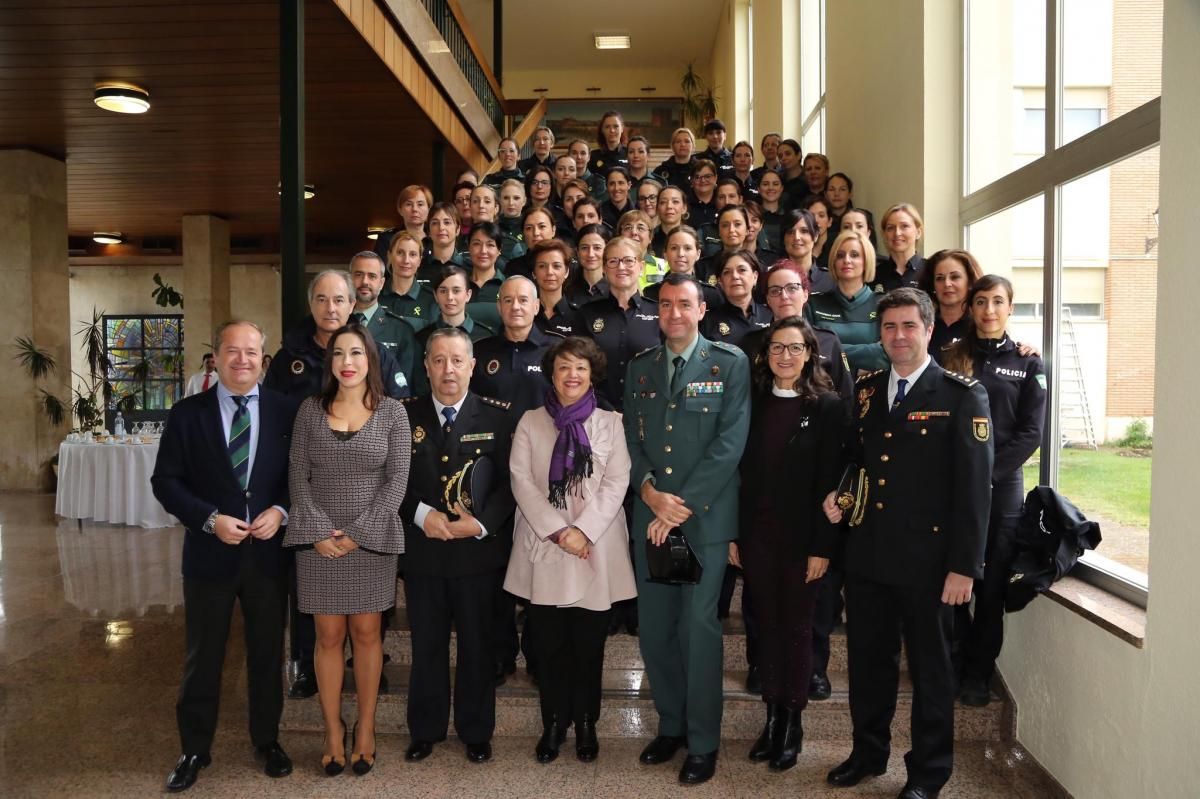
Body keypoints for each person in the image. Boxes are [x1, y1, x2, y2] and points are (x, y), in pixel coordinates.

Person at [822, 287, 992, 799]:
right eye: (890, 327)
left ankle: (928, 772)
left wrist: (965, 567)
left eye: (908, 326)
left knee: (931, 673)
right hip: (870, 556)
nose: (898, 336)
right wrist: (841, 493)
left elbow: (974, 491)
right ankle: (868, 754)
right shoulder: (869, 389)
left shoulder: (962, 396)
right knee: (868, 666)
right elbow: (857, 458)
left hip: (931, 565)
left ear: (929, 329)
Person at [152, 320, 295, 792]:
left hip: (268, 557)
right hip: (210, 556)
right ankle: (194, 747)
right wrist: (210, 519)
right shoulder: (187, 414)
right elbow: (166, 482)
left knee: (266, 653)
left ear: (264, 360)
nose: (242, 360)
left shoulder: (285, 411)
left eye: (251, 352)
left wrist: (281, 510)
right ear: (215, 357)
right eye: (232, 351)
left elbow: (302, 478)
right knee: (203, 655)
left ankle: (267, 740)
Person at [624, 272, 751, 786]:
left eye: (684, 305)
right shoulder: (641, 368)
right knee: (655, 632)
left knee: (698, 632)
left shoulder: (729, 363)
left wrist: (683, 504)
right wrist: (649, 491)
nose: (674, 314)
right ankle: (671, 726)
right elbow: (632, 437)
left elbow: (730, 441)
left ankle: (703, 742)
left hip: (704, 522)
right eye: (665, 305)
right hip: (651, 520)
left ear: (702, 311)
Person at [285, 322, 410, 777]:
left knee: (367, 635)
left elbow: (397, 479)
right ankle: (333, 730)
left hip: (371, 540)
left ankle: (367, 730)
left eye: (356, 353)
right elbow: (298, 476)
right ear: (330, 361)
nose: (347, 362)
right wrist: (319, 530)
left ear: (370, 360)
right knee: (328, 637)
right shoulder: (309, 411)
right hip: (318, 542)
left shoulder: (393, 413)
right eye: (339, 354)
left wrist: (359, 532)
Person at [505, 336, 637, 763]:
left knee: (588, 648)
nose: (572, 375)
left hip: (595, 548)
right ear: (552, 373)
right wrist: (560, 533)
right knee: (548, 646)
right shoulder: (529, 422)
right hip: (547, 549)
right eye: (564, 367)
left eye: (580, 367)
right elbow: (521, 483)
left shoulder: (611, 423)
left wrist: (583, 531)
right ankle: (553, 723)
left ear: (592, 373)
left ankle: (585, 724)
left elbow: (617, 484)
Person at [401, 327, 517, 764]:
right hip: (423, 552)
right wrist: (420, 515)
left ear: (471, 366)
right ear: (426, 366)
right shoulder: (402, 416)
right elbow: (389, 480)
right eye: (438, 360)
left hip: (478, 556)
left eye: (456, 360)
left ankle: (475, 730)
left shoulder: (499, 416)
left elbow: (510, 484)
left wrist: (484, 524)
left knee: (477, 645)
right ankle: (425, 730)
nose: (448, 369)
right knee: (427, 645)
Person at [733, 316, 842, 772]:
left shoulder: (828, 407)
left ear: (810, 354)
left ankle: (791, 723)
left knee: (797, 631)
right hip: (756, 537)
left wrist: (823, 547)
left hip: (803, 542)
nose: (785, 356)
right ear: (766, 354)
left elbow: (831, 481)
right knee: (765, 628)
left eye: (795, 348)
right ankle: (770, 718)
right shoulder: (752, 404)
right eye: (777, 348)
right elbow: (738, 475)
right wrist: (734, 535)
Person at [942, 275, 1046, 708]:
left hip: (1001, 491)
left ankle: (978, 675)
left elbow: (1031, 433)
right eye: (980, 301)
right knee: (947, 580)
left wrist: (987, 475)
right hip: (950, 487)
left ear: (1010, 308)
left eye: (997, 302)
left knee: (991, 587)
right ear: (970, 308)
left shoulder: (1029, 364)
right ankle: (952, 659)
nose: (988, 310)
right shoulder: (949, 356)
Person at [572, 237, 661, 412]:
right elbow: (579, 367)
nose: (621, 267)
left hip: (649, 413)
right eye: (613, 261)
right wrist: (605, 409)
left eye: (628, 260)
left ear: (641, 267)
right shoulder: (587, 314)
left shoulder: (658, 312)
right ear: (604, 268)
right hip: (596, 412)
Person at [472, 276, 557, 418]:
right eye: (508, 301)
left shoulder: (557, 349)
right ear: (499, 307)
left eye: (523, 300)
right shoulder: (479, 350)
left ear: (536, 306)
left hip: (544, 437)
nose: (515, 307)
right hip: (494, 438)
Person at [805, 230, 889, 373]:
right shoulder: (813, 304)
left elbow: (885, 355)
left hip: (872, 389)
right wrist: (868, 352)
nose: (847, 260)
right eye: (840, 255)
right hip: (825, 389)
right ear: (833, 261)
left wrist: (830, 350)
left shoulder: (884, 304)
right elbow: (809, 352)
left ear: (866, 260)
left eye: (855, 255)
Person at [349, 251, 418, 390]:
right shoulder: (337, 324)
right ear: (349, 279)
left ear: (381, 283)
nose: (364, 282)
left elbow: (406, 385)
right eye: (358, 274)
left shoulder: (401, 330)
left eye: (372, 276)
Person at [919, 249, 984, 358]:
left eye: (955, 277)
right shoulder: (922, 325)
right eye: (940, 278)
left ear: (970, 282)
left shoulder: (981, 325)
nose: (947, 284)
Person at [700, 249, 771, 347]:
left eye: (742, 270)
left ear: (755, 277)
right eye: (727, 272)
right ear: (720, 282)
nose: (735, 276)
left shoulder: (771, 315)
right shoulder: (707, 321)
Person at [644, 225, 723, 308]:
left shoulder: (712, 295)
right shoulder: (651, 294)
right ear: (665, 254)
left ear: (698, 254)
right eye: (674, 248)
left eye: (687, 248)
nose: (680, 254)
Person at [382, 231, 437, 332]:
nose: (406, 260)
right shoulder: (376, 296)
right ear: (389, 256)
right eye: (400, 253)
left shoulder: (432, 300)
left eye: (412, 254)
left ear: (419, 260)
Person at [530, 239, 580, 337]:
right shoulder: (525, 313)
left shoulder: (579, 316)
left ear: (566, 272)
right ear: (534, 273)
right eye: (542, 266)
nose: (549, 272)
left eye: (556, 266)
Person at [372, 185, 433, 264]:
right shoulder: (387, 239)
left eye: (420, 204)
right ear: (400, 209)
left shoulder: (435, 239)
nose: (414, 209)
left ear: (429, 209)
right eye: (408, 204)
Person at [874, 203, 926, 293]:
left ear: (918, 232)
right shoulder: (874, 275)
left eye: (904, 226)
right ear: (884, 234)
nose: (897, 233)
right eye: (891, 228)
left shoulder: (931, 270)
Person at [464, 222, 506, 332]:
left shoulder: (508, 287)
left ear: (499, 250)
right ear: (468, 247)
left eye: (490, 245)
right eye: (477, 244)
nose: (483, 251)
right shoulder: (458, 286)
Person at [564, 224, 611, 306]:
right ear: (577, 252)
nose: (590, 254)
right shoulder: (565, 288)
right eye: (584, 248)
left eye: (597, 248)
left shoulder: (616, 289)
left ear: (607, 251)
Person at [420, 202, 466, 284]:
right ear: (429, 231)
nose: (441, 227)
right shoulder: (418, 265)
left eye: (447, 222)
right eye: (435, 223)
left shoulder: (469, 267)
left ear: (458, 229)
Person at [650, 185, 689, 257]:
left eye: (675, 202)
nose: (669, 206)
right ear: (657, 209)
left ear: (684, 208)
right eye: (663, 202)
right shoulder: (649, 238)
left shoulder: (692, 238)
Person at [588, 111, 629, 179]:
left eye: (616, 126)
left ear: (622, 128)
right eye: (607, 127)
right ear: (602, 130)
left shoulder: (629, 153)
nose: (612, 130)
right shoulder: (593, 156)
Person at [757, 170, 789, 252]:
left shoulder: (790, 218)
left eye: (775, 184)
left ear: (782, 188)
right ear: (758, 189)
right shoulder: (753, 217)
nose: (770, 188)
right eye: (765, 184)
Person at [568, 137, 607, 201]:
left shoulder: (598, 182)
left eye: (583, 153)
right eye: (574, 153)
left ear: (589, 157)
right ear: (569, 155)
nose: (579, 157)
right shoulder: (564, 180)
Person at [599, 166, 636, 230]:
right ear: (606, 186)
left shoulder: (638, 211)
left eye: (621, 183)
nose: (616, 188)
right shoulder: (598, 213)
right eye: (612, 184)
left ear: (629, 185)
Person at [687, 160, 720, 230]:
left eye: (707, 176)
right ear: (692, 181)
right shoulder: (684, 205)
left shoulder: (722, 202)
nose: (703, 180)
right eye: (697, 177)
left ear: (715, 178)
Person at [778, 139, 807, 206]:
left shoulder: (808, 178)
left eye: (788, 154)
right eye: (780, 156)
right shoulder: (778, 179)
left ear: (799, 155)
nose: (783, 158)